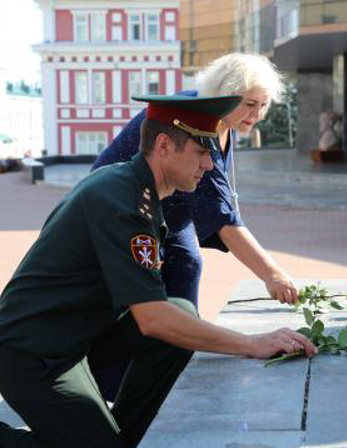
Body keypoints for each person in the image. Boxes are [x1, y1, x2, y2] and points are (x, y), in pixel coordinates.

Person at [0, 95, 317, 448]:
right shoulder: (122, 201)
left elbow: (160, 313)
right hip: (31, 357)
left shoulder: (136, 190)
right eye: (200, 151)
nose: (209, 164)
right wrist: (251, 344)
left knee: (179, 309)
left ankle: (115, 442)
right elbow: (151, 319)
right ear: (163, 147)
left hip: (71, 341)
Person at [92, 53, 299, 400]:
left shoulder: (225, 123)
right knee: (134, 290)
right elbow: (222, 219)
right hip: (125, 209)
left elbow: (216, 201)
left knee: (187, 263)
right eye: (249, 104)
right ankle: (114, 380)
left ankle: (177, 353)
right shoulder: (196, 120)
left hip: (169, 208)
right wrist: (273, 274)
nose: (257, 115)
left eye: (263, 106)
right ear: (225, 92)